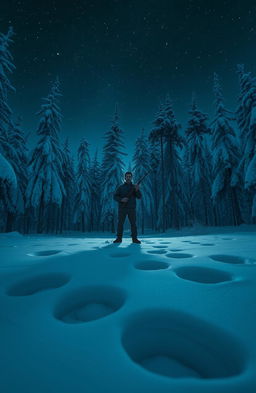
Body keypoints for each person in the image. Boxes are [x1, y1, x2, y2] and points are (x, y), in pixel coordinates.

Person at [113, 171, 142, 243]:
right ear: (125, 178)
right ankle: (119, 239)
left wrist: (137, 190)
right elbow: (115, 197)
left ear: (131, 178)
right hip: (122, 209)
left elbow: (139, 197)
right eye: (127, 176)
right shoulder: (120, 187)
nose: (128, 178)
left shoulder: (134, 187)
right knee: (120, 224)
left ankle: (134, 239)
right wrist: (122, 199)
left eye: (130, 176)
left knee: (133, 224)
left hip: (132, 209)